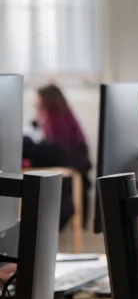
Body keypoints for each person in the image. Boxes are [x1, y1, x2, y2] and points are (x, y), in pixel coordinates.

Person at [24, 85, 92, 228]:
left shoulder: (57, 125)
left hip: (63, 184)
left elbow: (52, 153)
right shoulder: (62, 122)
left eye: (39, 105)